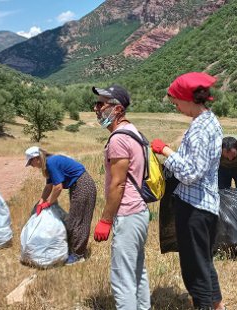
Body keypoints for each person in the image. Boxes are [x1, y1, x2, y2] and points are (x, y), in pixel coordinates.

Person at [151, 72, 226, 310]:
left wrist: (166, 152)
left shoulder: (200, 129)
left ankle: (204, 305)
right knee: (204, 262)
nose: (175, 106)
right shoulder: (209, 121)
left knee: (195, 268)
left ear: (187, 99)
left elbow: (191, 173)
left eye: (176, 101)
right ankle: (217, 305)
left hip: (195, 208)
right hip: (205, 205)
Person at [91, 85, 150, 310]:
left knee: (122, 279)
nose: (96, 109)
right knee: (137, 272)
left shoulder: (118, 139)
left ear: (117, 109)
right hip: (139, 212)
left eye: (101, 104)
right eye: (96, 103)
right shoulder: (134, 131)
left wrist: (105, 220)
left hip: (127, 213)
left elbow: (118, 183)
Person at [25, 146, 97, 265]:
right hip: (78, 186)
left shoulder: (51, 162)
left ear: (37, 158)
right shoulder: (48, 163)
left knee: (79, 221)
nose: (31, 165)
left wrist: (48, 203)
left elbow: (57, 187)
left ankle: (78, 256)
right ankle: (73, 251)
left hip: (83, 186)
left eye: (30, 162)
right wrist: (41, 201)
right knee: (74, 220)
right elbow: (49, 186)